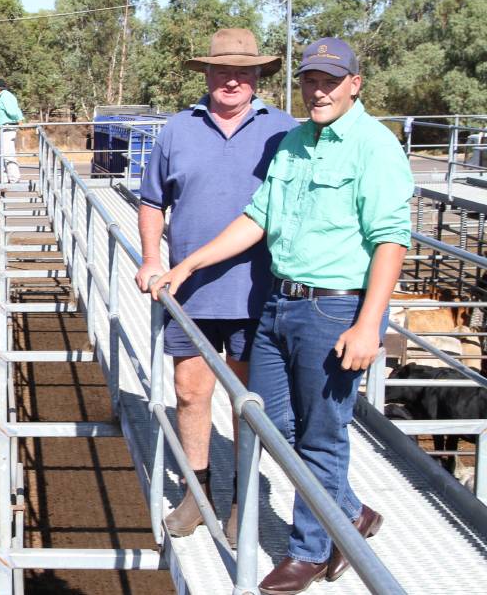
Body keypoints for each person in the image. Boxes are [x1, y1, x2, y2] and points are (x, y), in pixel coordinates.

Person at [151, 37, 413, 594]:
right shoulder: (295, 142)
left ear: (354, 85)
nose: (319, 91)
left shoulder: (374, 146)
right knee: (274, 426)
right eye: (312, 81)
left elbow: (391, 240)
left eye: (331, 81)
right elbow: (258, 217)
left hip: (333, 305)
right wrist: (187, 264)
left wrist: (370, 323)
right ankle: (351, 513)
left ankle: (310, 551)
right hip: (279, 302)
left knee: (322, 433)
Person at [135, 28, 296, 546]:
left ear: (257, 77)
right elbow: (152, 201)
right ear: (205, 74)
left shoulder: (285, 131)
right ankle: (197, 492)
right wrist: (152, 258)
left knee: (248, 402)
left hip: (260, 290)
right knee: (190, 392)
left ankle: (242, 500)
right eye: (222, 71)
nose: (232, 81)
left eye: (243, 72)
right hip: (191, 289)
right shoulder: (178, 130)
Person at [0, 78, 24, 183]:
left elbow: (12, 111)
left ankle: (14, 177)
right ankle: (3, 177)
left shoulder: (5, 96)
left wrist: (19, 119)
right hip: (4, 129)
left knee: (8, 153)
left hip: (8, 128)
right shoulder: (5, 96)